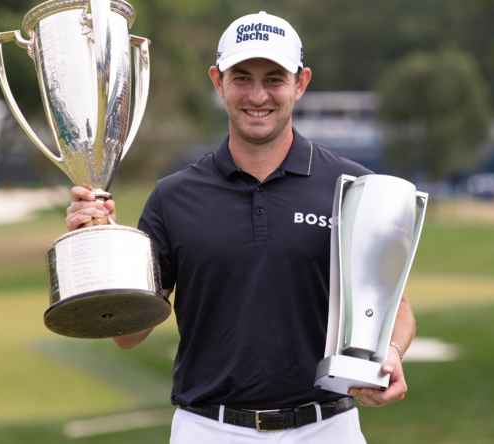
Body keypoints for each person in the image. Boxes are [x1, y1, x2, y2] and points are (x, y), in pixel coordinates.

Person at [65, 11, 415, 443]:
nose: (257, 95)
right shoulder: (173, 198)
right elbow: (129, 335)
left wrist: (392, 355)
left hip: (327, 429)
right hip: (208, 429)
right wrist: (100, 248)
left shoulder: (354, 189)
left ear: (300, 82)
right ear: (217, 81)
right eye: (242, 77)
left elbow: (394, 308)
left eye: (274, 79)